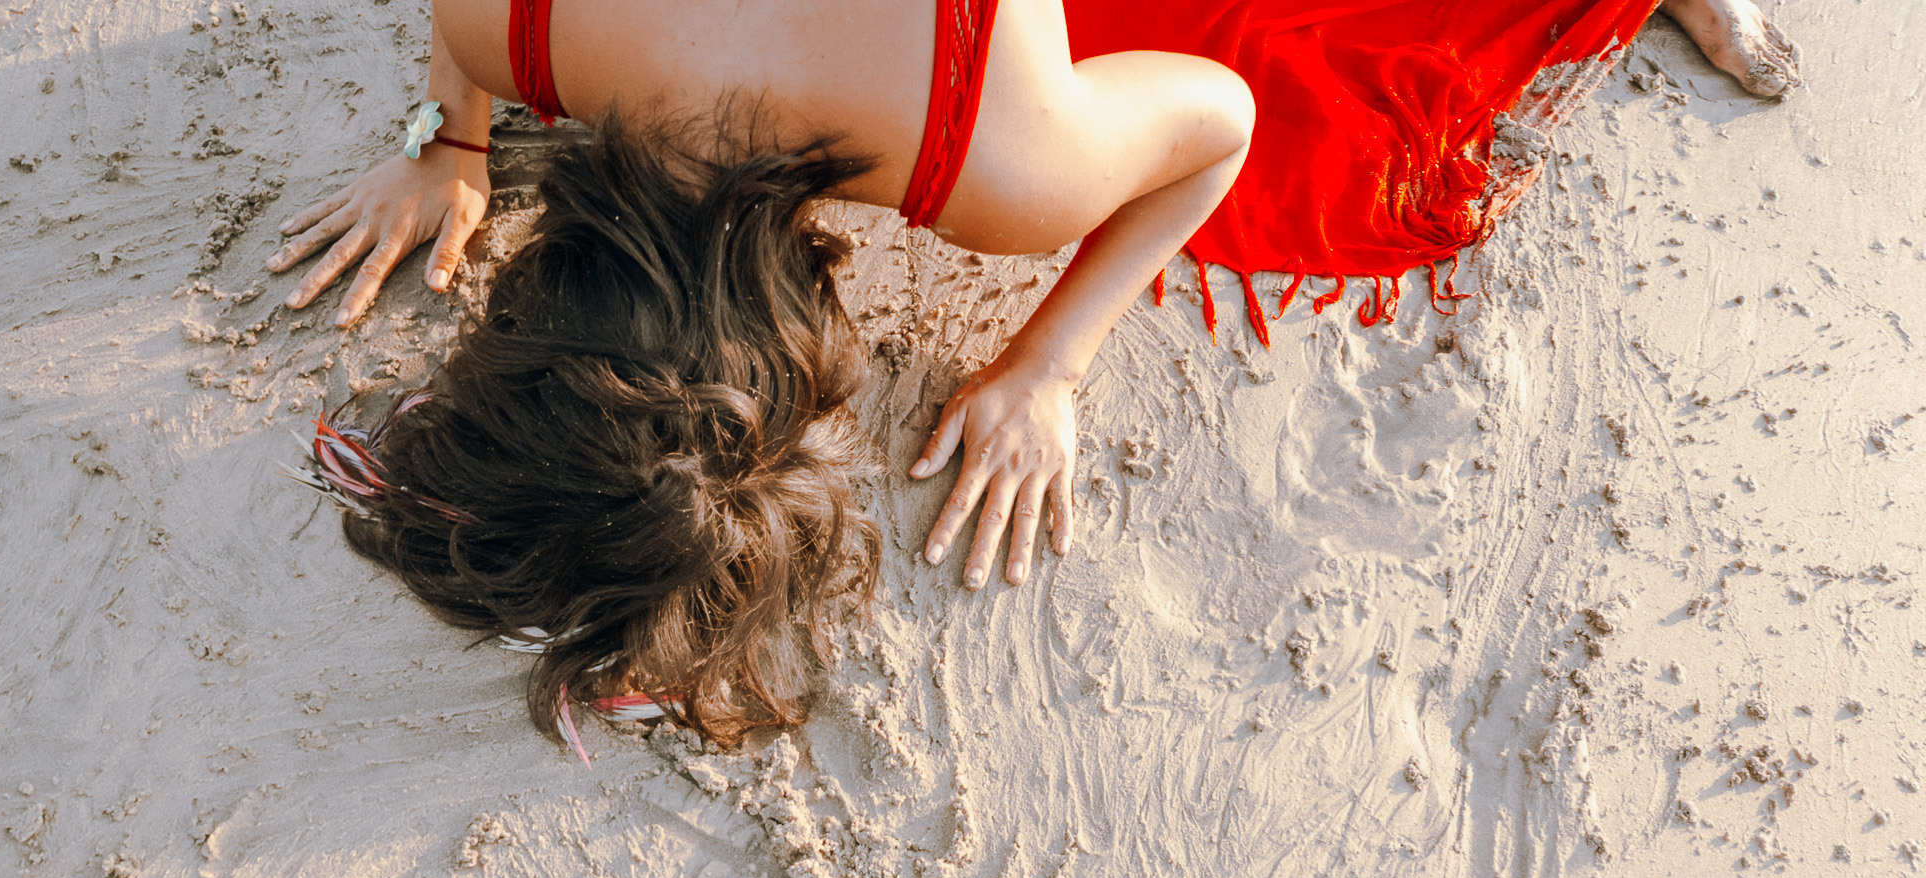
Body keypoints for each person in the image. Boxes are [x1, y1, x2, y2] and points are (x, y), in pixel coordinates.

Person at [270, 0, 1797, 749]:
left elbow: (1221, 126)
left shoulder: (1005, 165)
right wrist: (453, 147)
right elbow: (467, 50)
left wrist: (1049, 358)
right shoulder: (531, 29)